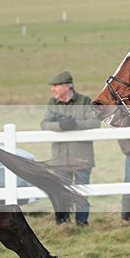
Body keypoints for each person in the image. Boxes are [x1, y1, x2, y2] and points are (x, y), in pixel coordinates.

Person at [40, 70, 100, 226]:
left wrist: (74, 124)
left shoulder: (84, 100)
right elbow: (44, 124)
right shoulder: (52, 103)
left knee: (81, 193)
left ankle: (82, 223)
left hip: (82, 157)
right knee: (60, 193)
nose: (53, 90)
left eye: (55, 86)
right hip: (60, 158)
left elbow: (95, 122)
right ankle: (63, 224)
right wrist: (61, 125)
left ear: (67, 87)